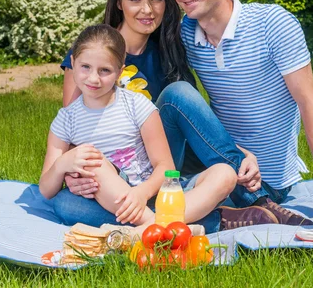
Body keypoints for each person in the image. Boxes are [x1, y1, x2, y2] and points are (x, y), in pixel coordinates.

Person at [55, 0, 290, 232]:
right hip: (110, 178)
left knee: (179, 92)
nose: (147, 10)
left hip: (159, 171)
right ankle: (208, 219)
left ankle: (254, 199)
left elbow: (191, 119)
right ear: (119, 2)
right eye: (134, 0)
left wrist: (240, 154)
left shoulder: (169, 51)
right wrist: (71, 173)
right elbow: (71, 124)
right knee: (65, 205)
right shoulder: (89, 55)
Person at [164, 0, 313, 218]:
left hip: (267, 181)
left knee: (177, 93)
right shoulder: (185, 34)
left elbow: (310, 103)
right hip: (219, 168)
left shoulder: (271, 24)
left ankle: (254, 203)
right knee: (175, 95)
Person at [40, 24, 238, 230]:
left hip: (153, 191)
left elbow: (166, 167)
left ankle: (151, 228)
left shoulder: (137, 105)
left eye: (105, 70)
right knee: (67, 199)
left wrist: (142, 193)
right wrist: (63, 163)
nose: (93, 78)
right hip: (112, 201)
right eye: (85, 67)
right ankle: (172, 225)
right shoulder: (66, 120)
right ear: (73, 63)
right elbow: (46, 189)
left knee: (225, 174)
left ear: (119, 71)